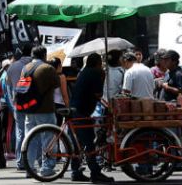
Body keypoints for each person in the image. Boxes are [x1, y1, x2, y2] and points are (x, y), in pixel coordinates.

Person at [69, 53, 114, 183]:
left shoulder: (84, 71)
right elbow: (98, 93)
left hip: (76, 109)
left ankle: (75, 171)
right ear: (98, 63)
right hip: (82, 112)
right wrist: (103, 77)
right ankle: (95, 173)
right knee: (89, 143)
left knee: (77, 144)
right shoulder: (95, 73)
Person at [19, 46, 61, 178]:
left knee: (30, 139)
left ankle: (29, 169)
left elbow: (22, 88)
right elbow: (56, 84)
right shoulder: (47, 68)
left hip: (29, 110)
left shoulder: (25, 68)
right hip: (45, 109)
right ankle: (46, 168)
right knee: (48, 139)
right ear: (45, 55)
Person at [6, 43, 33, 171]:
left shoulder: (12, 67)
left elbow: (8, 85)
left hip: (17, 104)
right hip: (33, 103)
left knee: (20, 132)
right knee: (34, 132)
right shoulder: (34, 65)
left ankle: (20, 161)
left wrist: (12, 102)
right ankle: (32, 161)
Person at [49, 58, 71, 126]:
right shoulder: (61, 76)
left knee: (53, 129)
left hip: (50, 105)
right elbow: (64, 94)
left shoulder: (49, 75)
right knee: (57, 130)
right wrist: (68, 108)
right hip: (59, 105)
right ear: (59, 65)